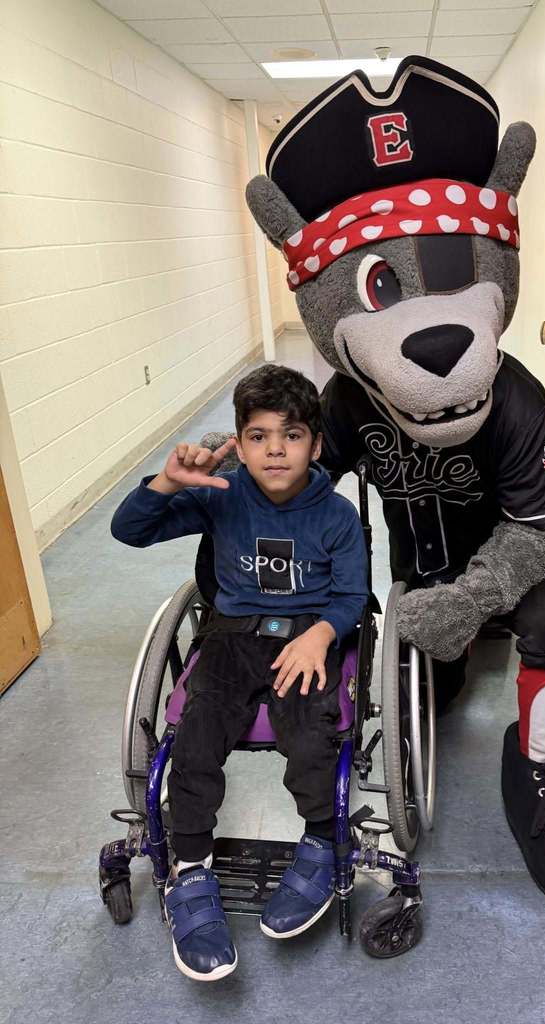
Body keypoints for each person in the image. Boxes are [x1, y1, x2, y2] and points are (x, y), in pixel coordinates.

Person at [111, 364, 368, 981]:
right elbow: (129, 530)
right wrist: (169, 483)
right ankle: (191, 868)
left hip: (308, 638)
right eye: (258, 436)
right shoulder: (221, 493)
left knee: (310, 735)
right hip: (230, 640)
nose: (275, 449)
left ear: (315, 443)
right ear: (239, 441)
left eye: (292, 434)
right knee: (195, 740)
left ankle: (319, 840)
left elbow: (354, 594)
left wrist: (323, 634)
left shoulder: (334, 515)